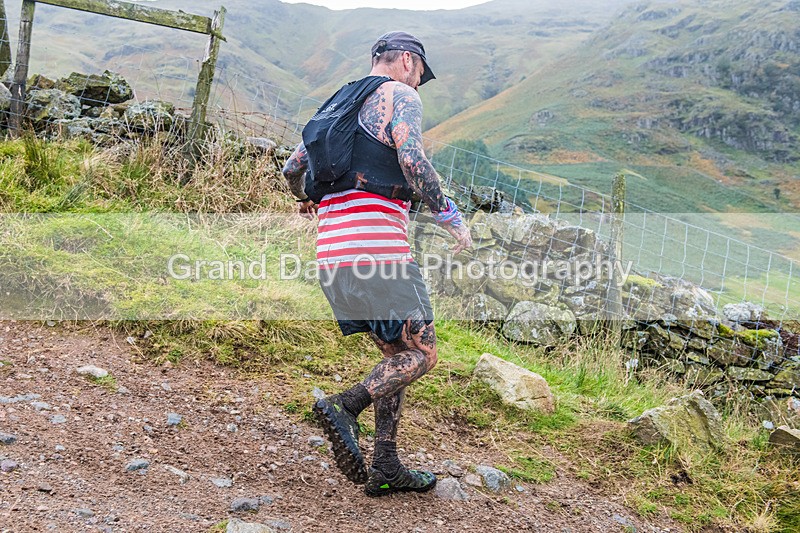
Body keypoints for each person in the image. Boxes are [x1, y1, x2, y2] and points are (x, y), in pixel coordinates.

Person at [282, 31, 472, 497]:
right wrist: (449, 215)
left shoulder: (334, 105)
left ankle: (385, 463)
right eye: (421, 75)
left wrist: (310, 198)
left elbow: (291, 170)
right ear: (407, 61)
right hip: (379, 253)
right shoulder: (398, 94)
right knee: (422, 354)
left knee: (394, 355)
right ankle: (344, 406)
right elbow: (411, 157)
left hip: (333, 257)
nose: (419, 84)